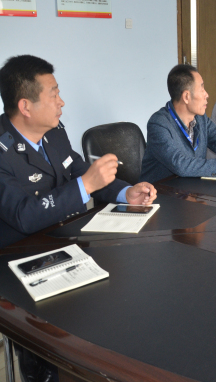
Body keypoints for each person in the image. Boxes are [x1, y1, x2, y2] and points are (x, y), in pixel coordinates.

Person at [0, 54, 157, 380]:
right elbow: (24, 215)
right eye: (54, 94)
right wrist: (85, 185)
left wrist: (124, 192)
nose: (62, 102)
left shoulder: (54, 132)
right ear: (25, 106)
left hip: (64, 242)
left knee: (122, 300)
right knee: (66, 341)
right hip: (17, 260)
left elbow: (80, 170)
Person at [140, 64, 216, 182]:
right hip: (160, 190)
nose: (206, 95)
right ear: (186, 97)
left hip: (191, 188)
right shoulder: (159, 124)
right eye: (202, 89)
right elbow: (180, 164)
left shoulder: (200, 118)